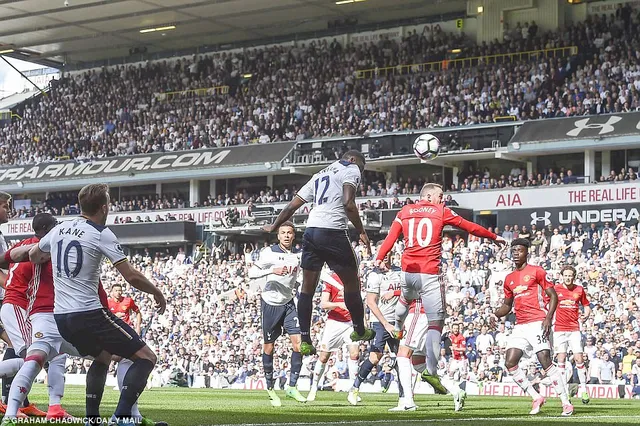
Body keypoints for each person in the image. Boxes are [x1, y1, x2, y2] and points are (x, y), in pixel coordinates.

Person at [28, 183, 167, 426]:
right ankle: (121, 418)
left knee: (102, 356)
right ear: (104, 208)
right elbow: (131, 276)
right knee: (146, 357)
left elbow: (34, 255)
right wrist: (157, 292)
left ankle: (92, 420)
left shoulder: (59, 230)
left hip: (61, 317)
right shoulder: (101, 232)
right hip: (89, 313)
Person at [375, 183, 504, 403]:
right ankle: (444, 385)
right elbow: (470, 227)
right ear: (428, 196)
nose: (443, 199)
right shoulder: (441, 211)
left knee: (405, 354)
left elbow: (391, 237)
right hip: (430, 275)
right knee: (425, 346)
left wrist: (379, 256)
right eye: (440, 196)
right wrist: (493, 237)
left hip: (411, 281)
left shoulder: (404, 211)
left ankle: (409, 401)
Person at [262, 150, 374, 355]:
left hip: (311, 232)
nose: (361, 171)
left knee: (307, 288)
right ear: (352, 160)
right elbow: (348, 204)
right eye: (362, 166)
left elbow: (291, 206)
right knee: (351, 282)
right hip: (333, 231)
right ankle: (359, 329)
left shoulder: (319, 175)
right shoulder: (351, 169)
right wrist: (361, 231)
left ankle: (305, 339)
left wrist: (274, 226)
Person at [490, 238, 572, 416]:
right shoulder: (509, 279)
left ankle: (566, 402)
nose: (516, 254)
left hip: (538, 322)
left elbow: (553, 296)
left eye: (519, 250)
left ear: (527, 252)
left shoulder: (537, 271)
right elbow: (507, 306)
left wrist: (548, 318)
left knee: (545, 361)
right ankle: (536, 396)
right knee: (510, 362)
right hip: (520, 325)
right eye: (513, 251)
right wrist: (494, 314)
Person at [0, 214, 70, 420]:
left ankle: (48, 407)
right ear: (50, 229)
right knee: (33, 359)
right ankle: (26, 407)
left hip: (19, 305)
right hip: (18, 305)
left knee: (50, 355)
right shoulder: (42, 249)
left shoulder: (24, 244)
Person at [247, 221, 305, 406]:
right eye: (283, 233)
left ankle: (292, 386)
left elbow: (301, 275)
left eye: (290, 232)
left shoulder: (298, 255)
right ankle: (270, 387)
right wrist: (272, 270)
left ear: (293, 235)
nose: (287, 235)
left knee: (299, 344)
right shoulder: (269, 253)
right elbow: (251, 273)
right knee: (269, 347)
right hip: (270, 304)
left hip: (288, 303)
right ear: (278, 236)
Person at [347, 252, 403, 406]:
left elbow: (409, 292)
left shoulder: (399, 271)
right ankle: (354, 388)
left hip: (398, 321)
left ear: (391, 253)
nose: (384, 256)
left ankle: (404, 396)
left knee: (402, 358)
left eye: (387, 252)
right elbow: (371, 302)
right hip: (381, 321)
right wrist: (385, 324)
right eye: (381, 253)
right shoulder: (374, 276)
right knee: (375, 357)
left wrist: (395, 292)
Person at [307, 271, 360, 401]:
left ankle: (353, 391)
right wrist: (338, 304)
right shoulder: (330, 280)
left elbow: (357, 300)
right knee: (324, 356)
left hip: (350, 322)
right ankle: (314, 386)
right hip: (334, 322)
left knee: (355, 354)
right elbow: (323, 304)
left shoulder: (354, 277)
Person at [552, 265, 591, 404]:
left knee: (579, 359)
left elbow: (586, 305)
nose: (568, 278)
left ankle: (584, 390)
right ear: (562, 276)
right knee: (561, 359)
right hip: (559, 329)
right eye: (566, 275)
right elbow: (547, 303)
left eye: (570, 275)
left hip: (574, 328)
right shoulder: (556, 289)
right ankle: (565, 393)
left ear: (574, 276)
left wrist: (586, 315)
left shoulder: (579, 289)